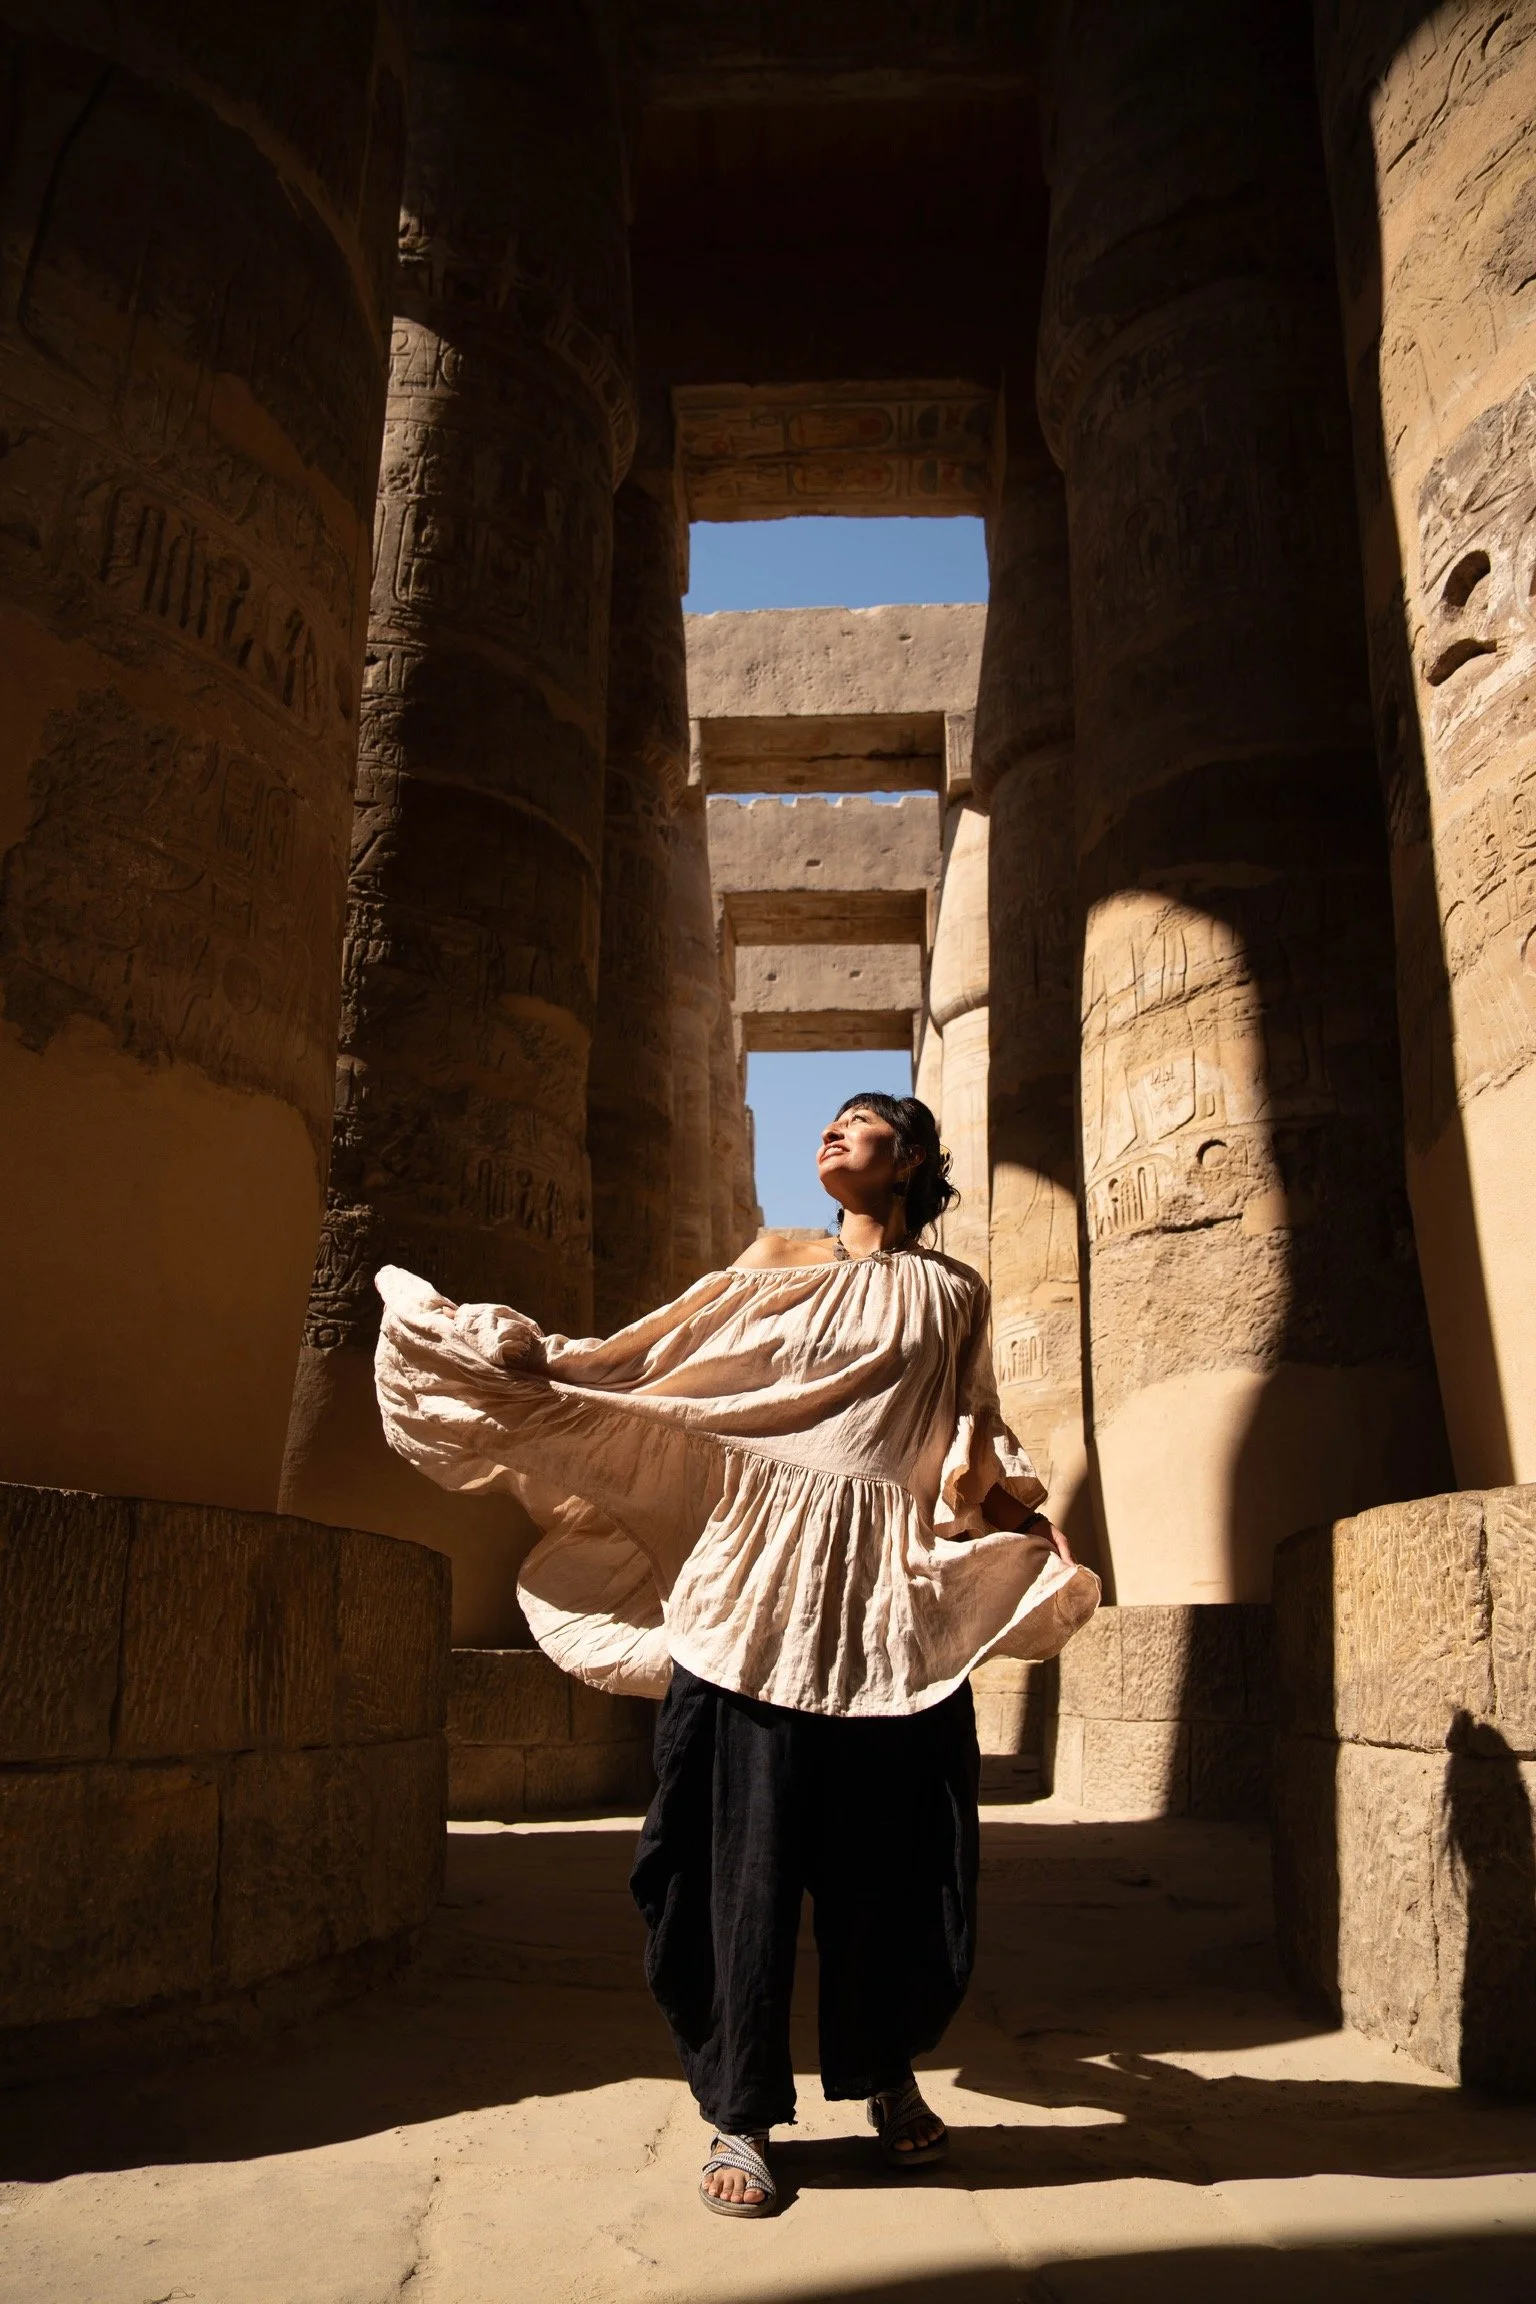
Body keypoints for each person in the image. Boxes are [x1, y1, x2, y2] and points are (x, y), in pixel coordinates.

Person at [374, 1092, 1098, 2219]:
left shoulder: (955, 1291)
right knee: (732, 1868)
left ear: (910, 1158)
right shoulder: (775, 1258)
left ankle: (886, 2072)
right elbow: (667, 1368)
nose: (833, 1132)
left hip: (883, 1609)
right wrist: (552, 1369)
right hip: (753, 1594)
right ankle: (739, 2112)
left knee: (895, 1863)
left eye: (860, 1122)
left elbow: (967, 1436)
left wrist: (1027, 1523)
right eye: (831, 1122)